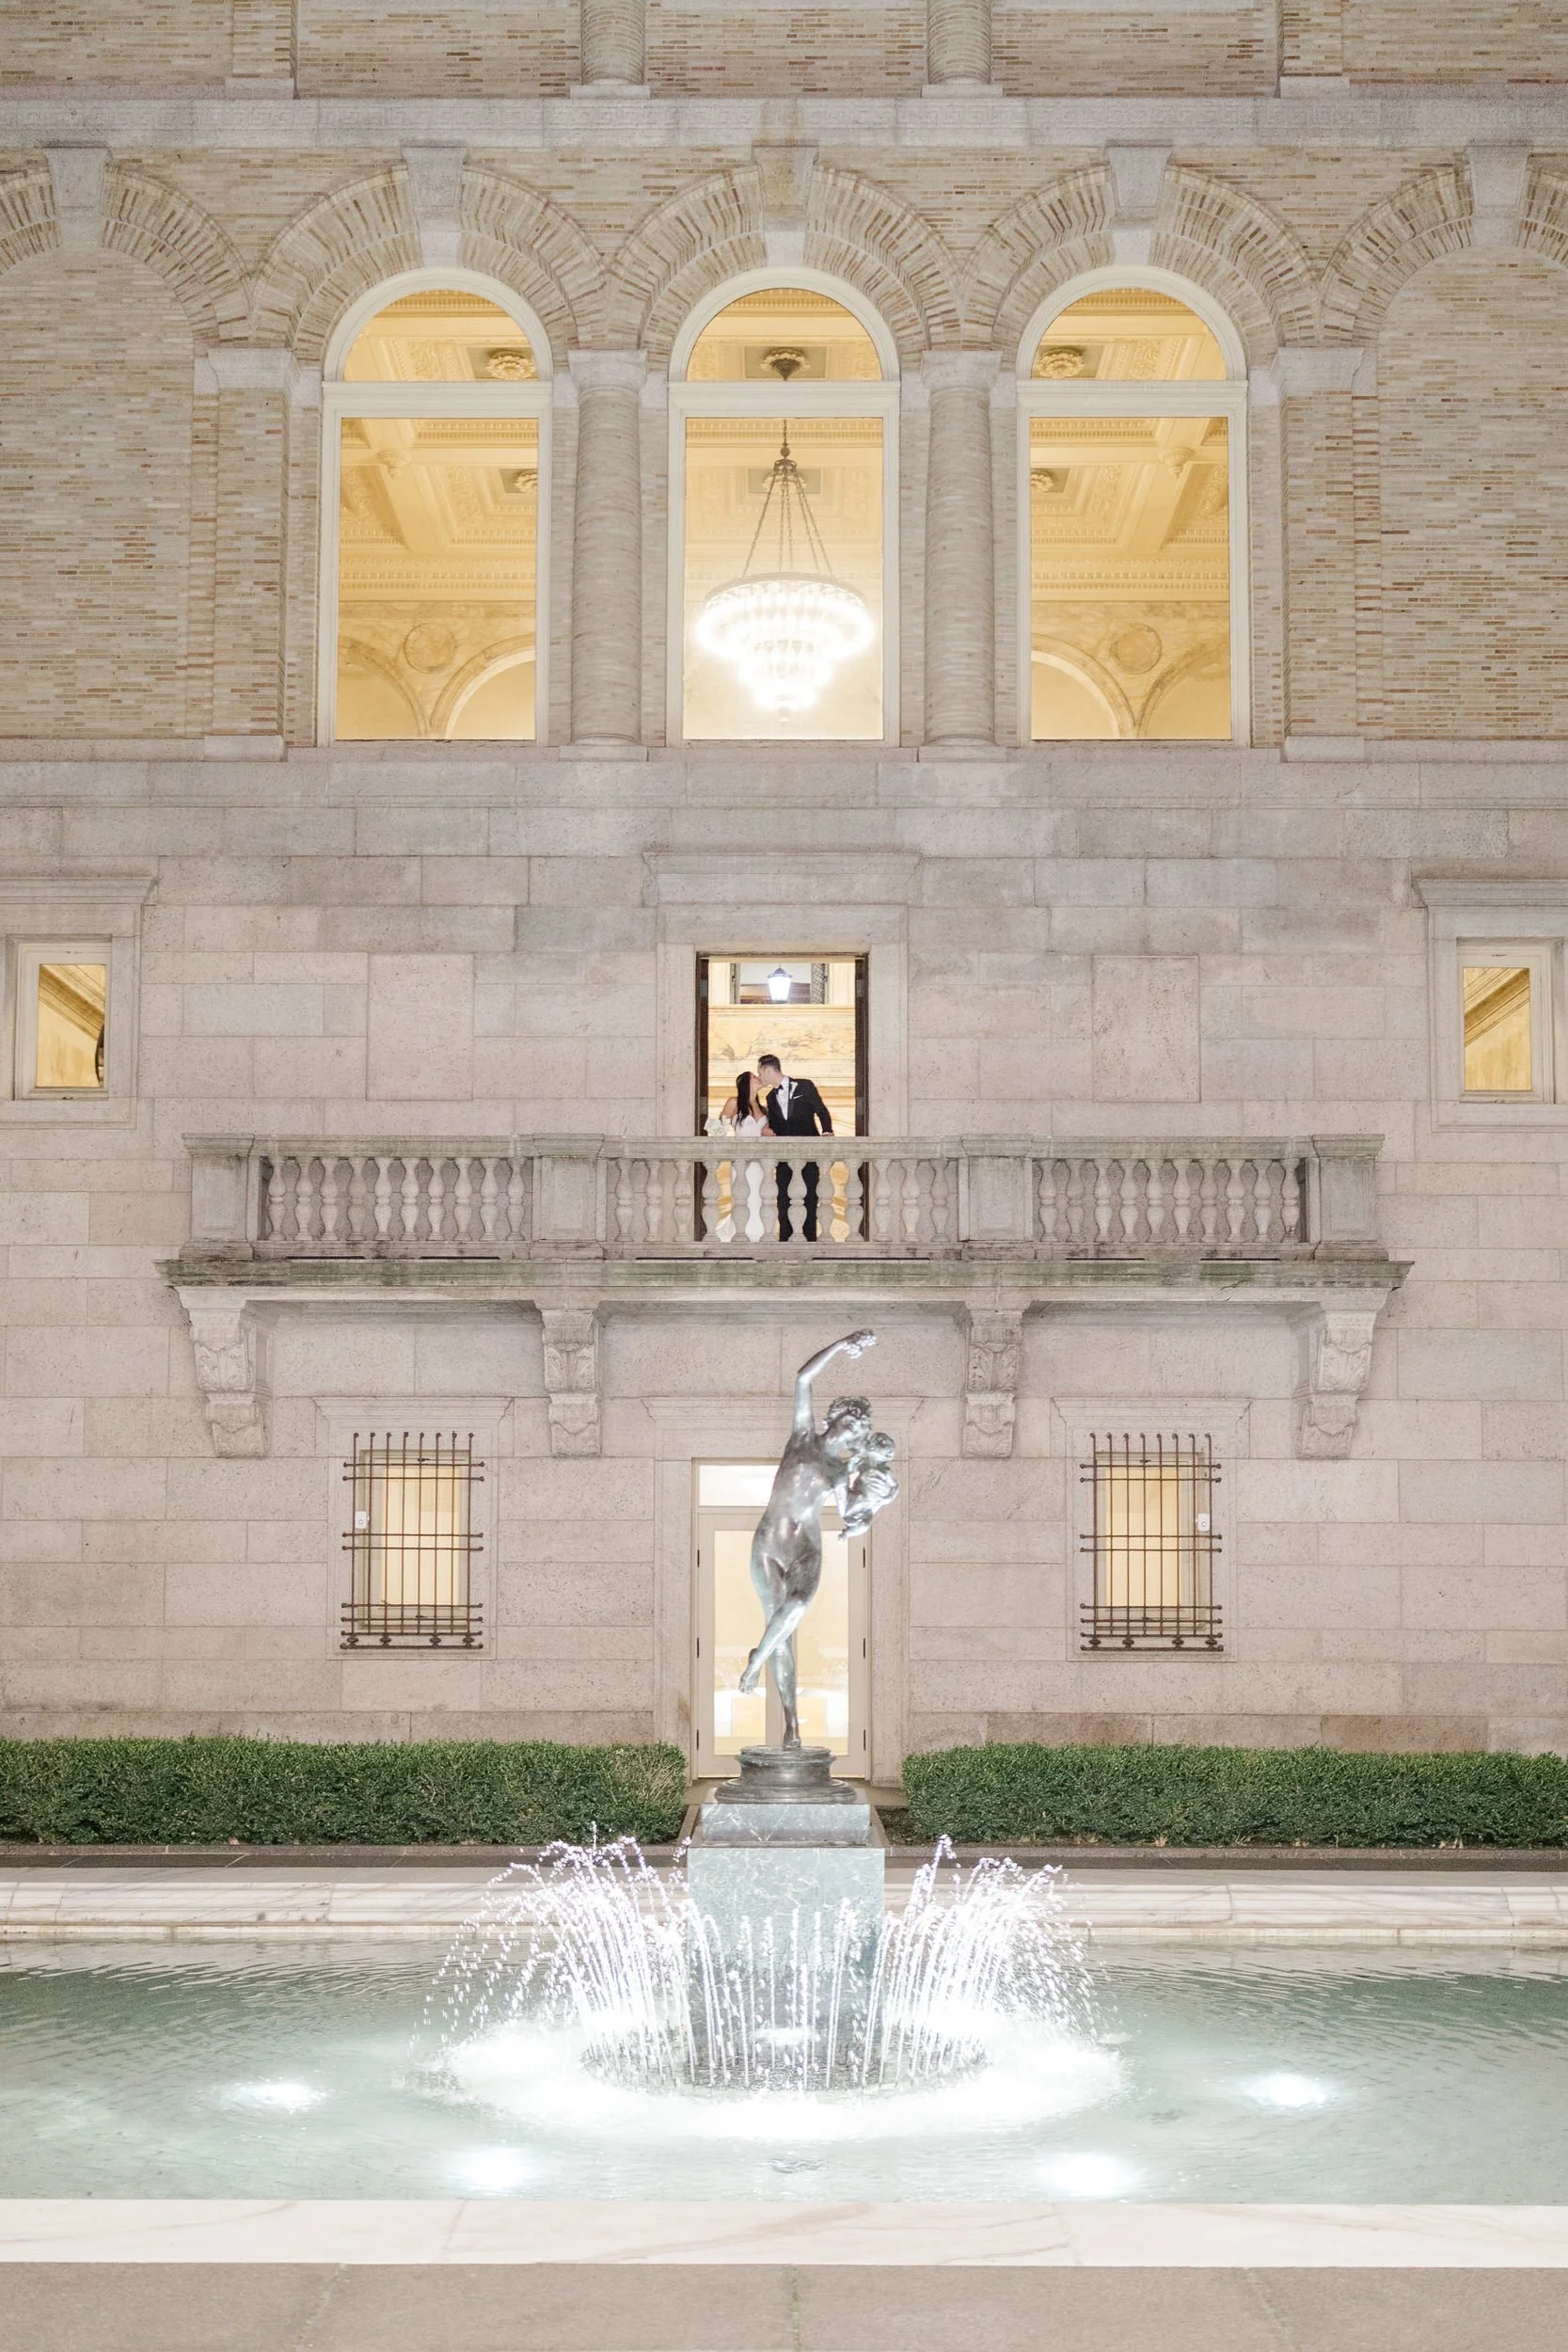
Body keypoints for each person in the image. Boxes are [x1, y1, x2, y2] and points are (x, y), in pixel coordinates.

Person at [737, 1329, 898, 1749]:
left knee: (798, 1604)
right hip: (770, 1544)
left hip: (807, 1546)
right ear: (834, 1420)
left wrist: (876, 1500)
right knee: (783, 1631)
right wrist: (843, 1344)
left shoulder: (843, 1472)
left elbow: (851, 1516)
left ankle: (756, 1657)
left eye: (860, 1429)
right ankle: (791, 1726)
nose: (855, 1432)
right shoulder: (803, 1439)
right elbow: (803, 1378)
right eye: (851, 1422)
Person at [757, 1051, 832, 1242]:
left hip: (809, 1154)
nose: (759, 1077)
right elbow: (775, 1124)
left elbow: (821, 1110)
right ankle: (785, 1242)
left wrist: (827, 1132)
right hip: (784, 1157)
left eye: (760, 1072)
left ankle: (809, 1243)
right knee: (783, 1200)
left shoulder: (805, 1086)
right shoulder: (770, 1098)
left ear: (768, 1070)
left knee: (809, 1199)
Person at [712, 1069, 770, 1242]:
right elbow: (716, 1129)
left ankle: (758, 1236)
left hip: (761, 1164)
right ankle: (739, 1234)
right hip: (741, 1162)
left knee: (760, 1199)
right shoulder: (734, 1103)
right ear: (745, 1083)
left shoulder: (764, 1108)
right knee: (743, 1198)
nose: (759, 1078)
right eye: (754, 1077)